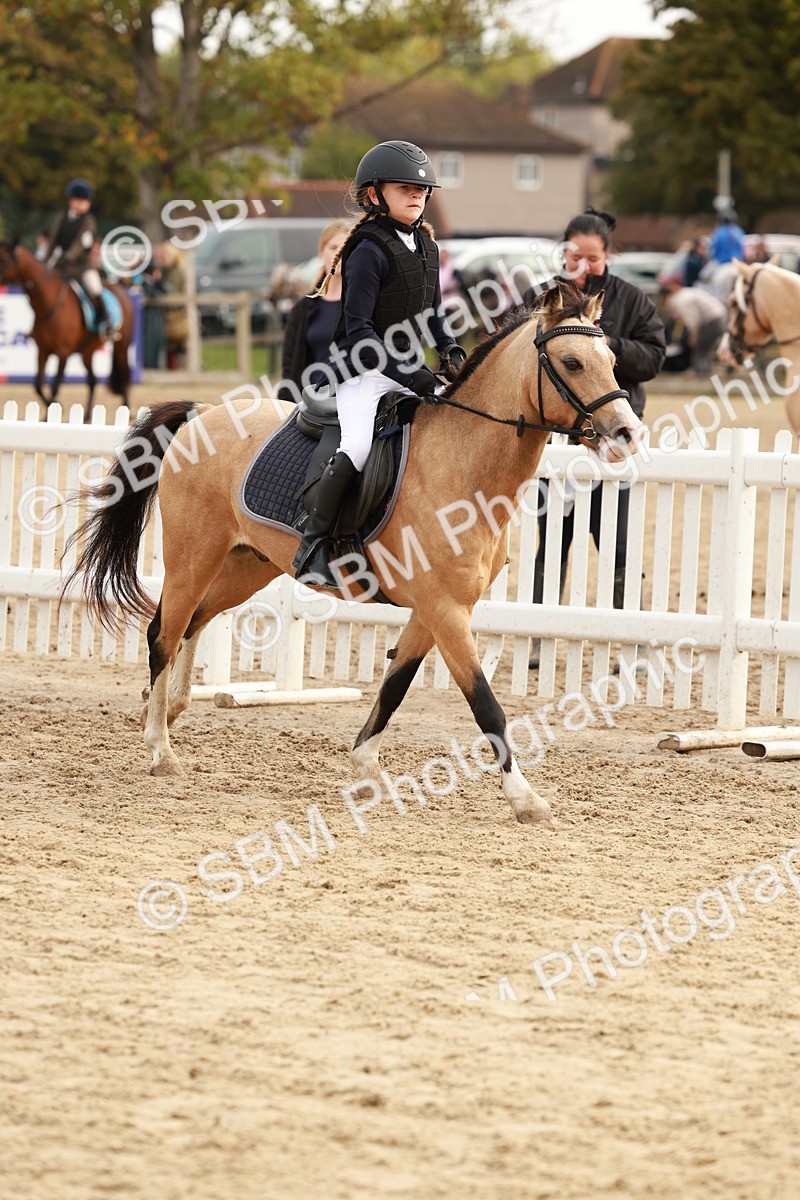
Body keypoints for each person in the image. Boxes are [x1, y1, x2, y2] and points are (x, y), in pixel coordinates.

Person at [291, 140, 466, 587]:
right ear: (375, 195)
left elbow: (434, 315)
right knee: (357, 447)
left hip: (407, 370)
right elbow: (360, 331)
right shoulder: (367, 250)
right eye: (405, 188)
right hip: (361, 371)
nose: (416, 195)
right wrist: (414, 375)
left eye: (422, 190)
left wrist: (450, 351)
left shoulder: (428, 247)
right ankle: (313, 544)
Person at [521, 207, 666, 667]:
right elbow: (513, 349)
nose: (583, 266)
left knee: (618, 543)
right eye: (575, 257)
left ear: (608, 256)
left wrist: (600, 347)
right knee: (551, 541)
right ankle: (539, 637)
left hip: (612, 437)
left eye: (593, 258)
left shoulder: (631, 299)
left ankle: (633, 642)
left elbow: (654, 357)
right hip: (555, 438)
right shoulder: (542, 298)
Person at [278, 219, 352, 403]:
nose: (339, 254)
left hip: (352, 400)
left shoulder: (364, 305)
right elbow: (289, 366)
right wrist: (286, 405)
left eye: (346, 248)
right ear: (321, 253)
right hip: (310, 403)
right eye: (333, 247)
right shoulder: (303, 309)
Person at [45, 178, 111, 336]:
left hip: (83, 266)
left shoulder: (89, 221)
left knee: (94, 287)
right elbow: (53, 241)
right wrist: (45, 262)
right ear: (70, 200)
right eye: (78, 200)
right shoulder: (61, 218)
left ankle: (105, 320)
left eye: (84, 200)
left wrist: (67, 257)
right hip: (63, 265)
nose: (81, 204)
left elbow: (81, 244)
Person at [658, 274, 728, 375]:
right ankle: (706, 371)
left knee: (699, 350)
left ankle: (702, 374)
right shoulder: (686, 293)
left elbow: (692, 319)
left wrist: (694, 336)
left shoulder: (680, 299)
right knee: (703, 349)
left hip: (713, 320)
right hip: (719, 316)